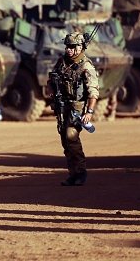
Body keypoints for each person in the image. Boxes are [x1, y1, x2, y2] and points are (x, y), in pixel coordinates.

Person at [47, 31, 99, 186]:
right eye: (67, 46)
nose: (68, 49)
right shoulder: (62, 62)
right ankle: (72, 174)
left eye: (72, 46)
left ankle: (81, 172)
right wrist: (51, 90)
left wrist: (89, 112)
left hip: (77, 107)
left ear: (80, 47)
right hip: (62, 106)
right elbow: (51, 80)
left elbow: (93, 91)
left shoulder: (86, 66)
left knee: (71, 136)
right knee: (65, 140)